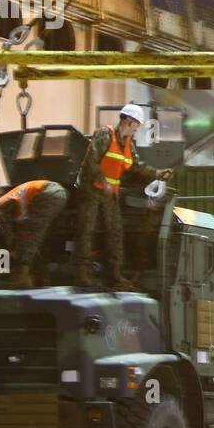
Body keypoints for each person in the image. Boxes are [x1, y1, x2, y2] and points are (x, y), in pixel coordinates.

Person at [73, 103, 172, 289]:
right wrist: (105, 183)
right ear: (128, 120)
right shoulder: (104, 134)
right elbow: (90, 163)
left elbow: (135, 167)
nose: (138, 127)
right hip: (91, 190)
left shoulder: (128, 143)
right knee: (87, 230)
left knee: (115, 232)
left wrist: (157, 173)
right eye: (137, 123)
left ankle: (115, 276)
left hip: (110, 194)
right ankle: (81, 275)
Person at [0, 179, 69, 288]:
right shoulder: (15, 205)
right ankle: (40, 277)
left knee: (30, 235)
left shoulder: (1, 207)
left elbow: (9, 231)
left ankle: (21, 277)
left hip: (48, 192)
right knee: (39, 238)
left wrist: (13, 249)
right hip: (58, 193)